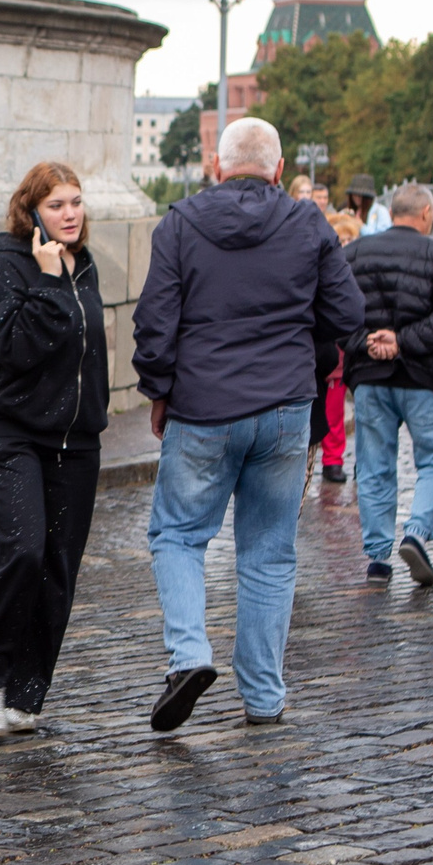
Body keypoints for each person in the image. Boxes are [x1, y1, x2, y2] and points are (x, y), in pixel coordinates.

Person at [133, 117, 363, 730]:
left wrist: (158, 391)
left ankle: (189, 654)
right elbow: (346, 312)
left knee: (178, 535)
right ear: (279, 170)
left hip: (203, 406)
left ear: (216, 164)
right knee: (269, 555)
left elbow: (155, 323)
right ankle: (263, 697)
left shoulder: (180, 224)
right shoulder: (307, 223)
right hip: (286, 408)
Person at [0, 164, 109, 734]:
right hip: (13, 433)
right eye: (56, 205)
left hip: (76, 443)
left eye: (76, 202)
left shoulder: (84, 266)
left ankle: (25, 694)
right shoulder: (11, 266)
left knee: (57, 568)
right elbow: (7, 347)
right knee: (22, 548)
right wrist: (44, 284)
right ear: (32, 212)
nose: (70, 214)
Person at [343, 183, 433, 585]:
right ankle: (416, 531)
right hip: (425, 377)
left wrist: (364, 342)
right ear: (427, 213)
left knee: (374, 466)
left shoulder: (354, 254)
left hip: (370, 375)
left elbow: (330, 308)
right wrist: (405, 341)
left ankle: (378, 558)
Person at [319, 211, 361, 483]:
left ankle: (347, 459)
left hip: (355, 350)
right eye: (341, 239)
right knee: (332, 411)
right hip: (332, 351)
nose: (345, 244)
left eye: (350, 239)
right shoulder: (324, 268)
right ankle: (331, 459)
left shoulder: (360, 265)